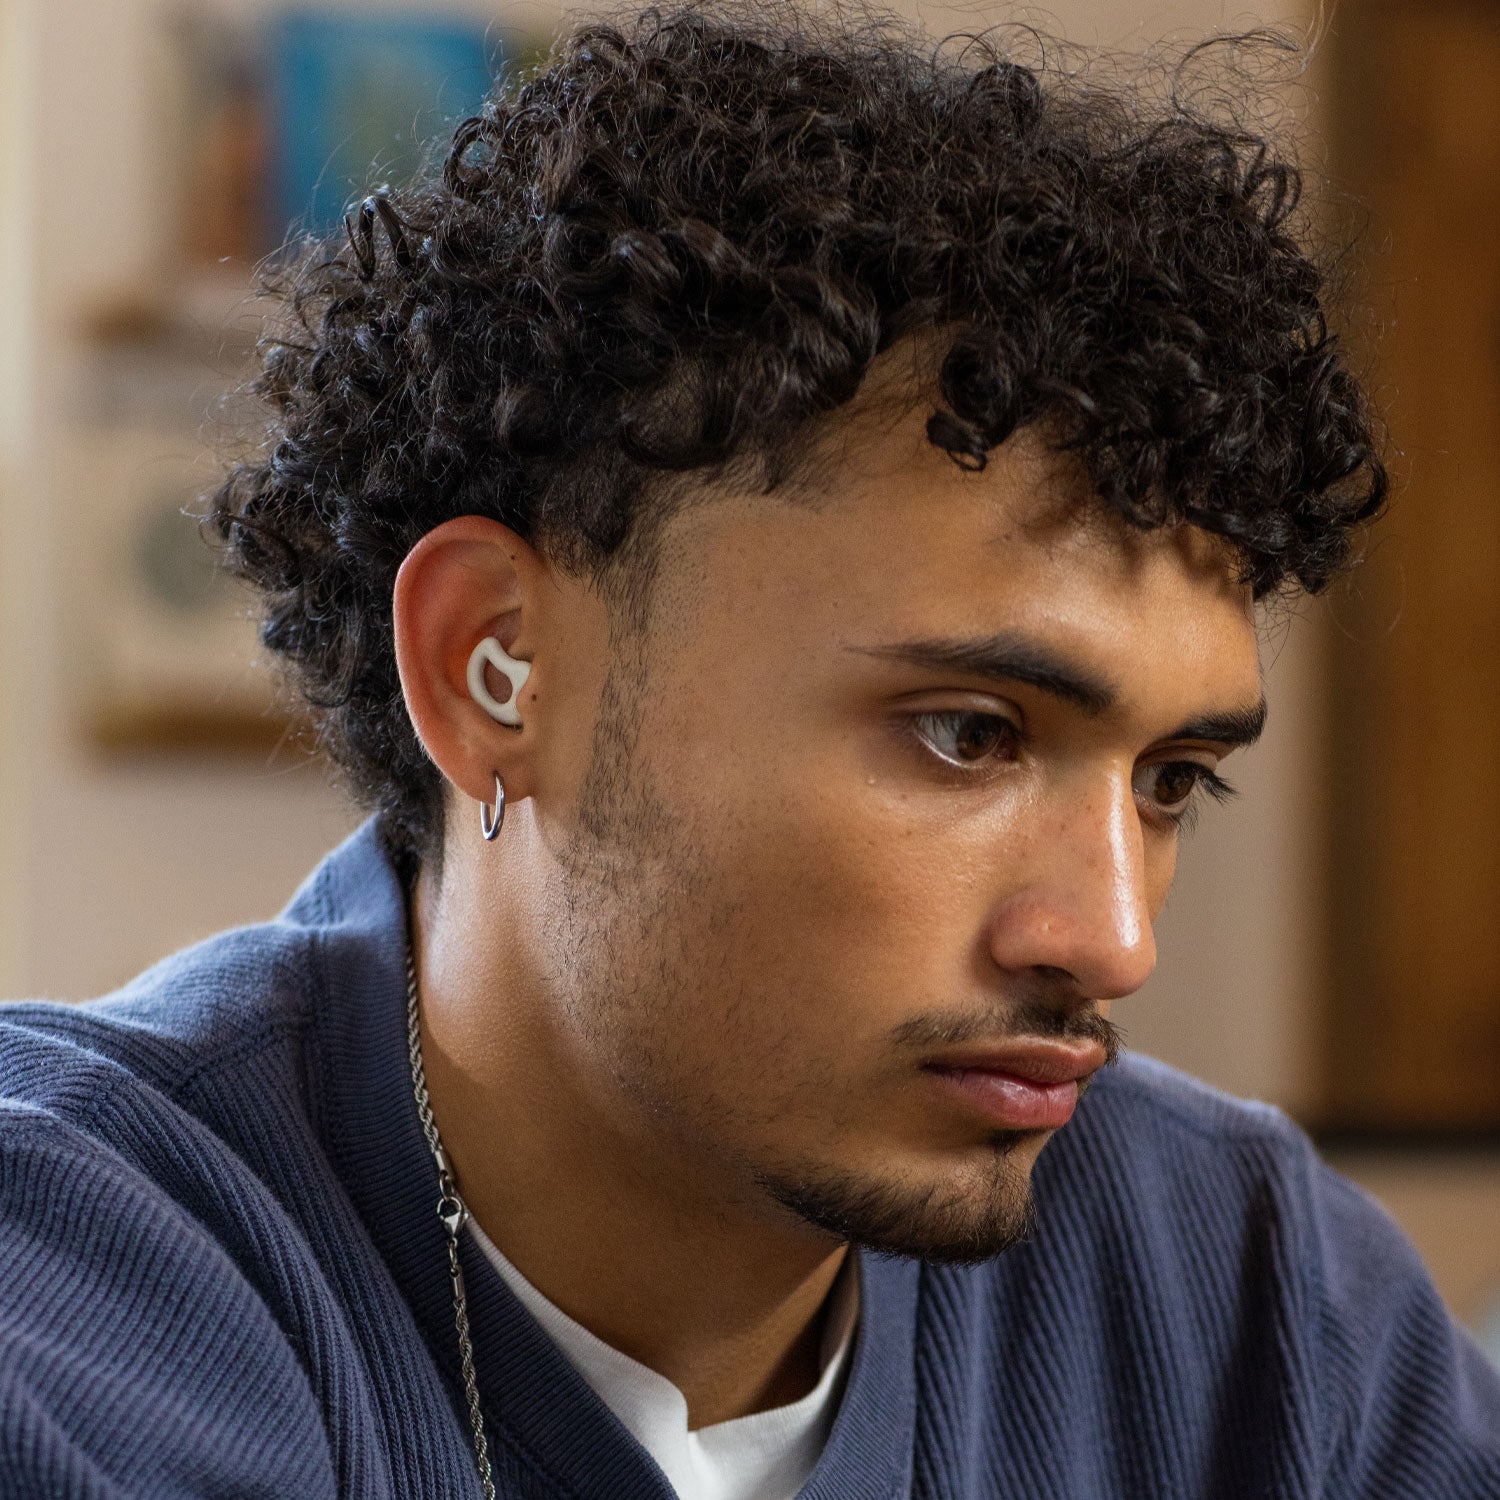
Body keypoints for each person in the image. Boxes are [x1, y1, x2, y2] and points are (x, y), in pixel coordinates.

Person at [3, 3, 1498, 1496]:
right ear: (493, 668)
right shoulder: (72, 1288)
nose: (1110, 943)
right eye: (968, 736)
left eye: (1170, 778)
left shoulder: (1257, 1301)